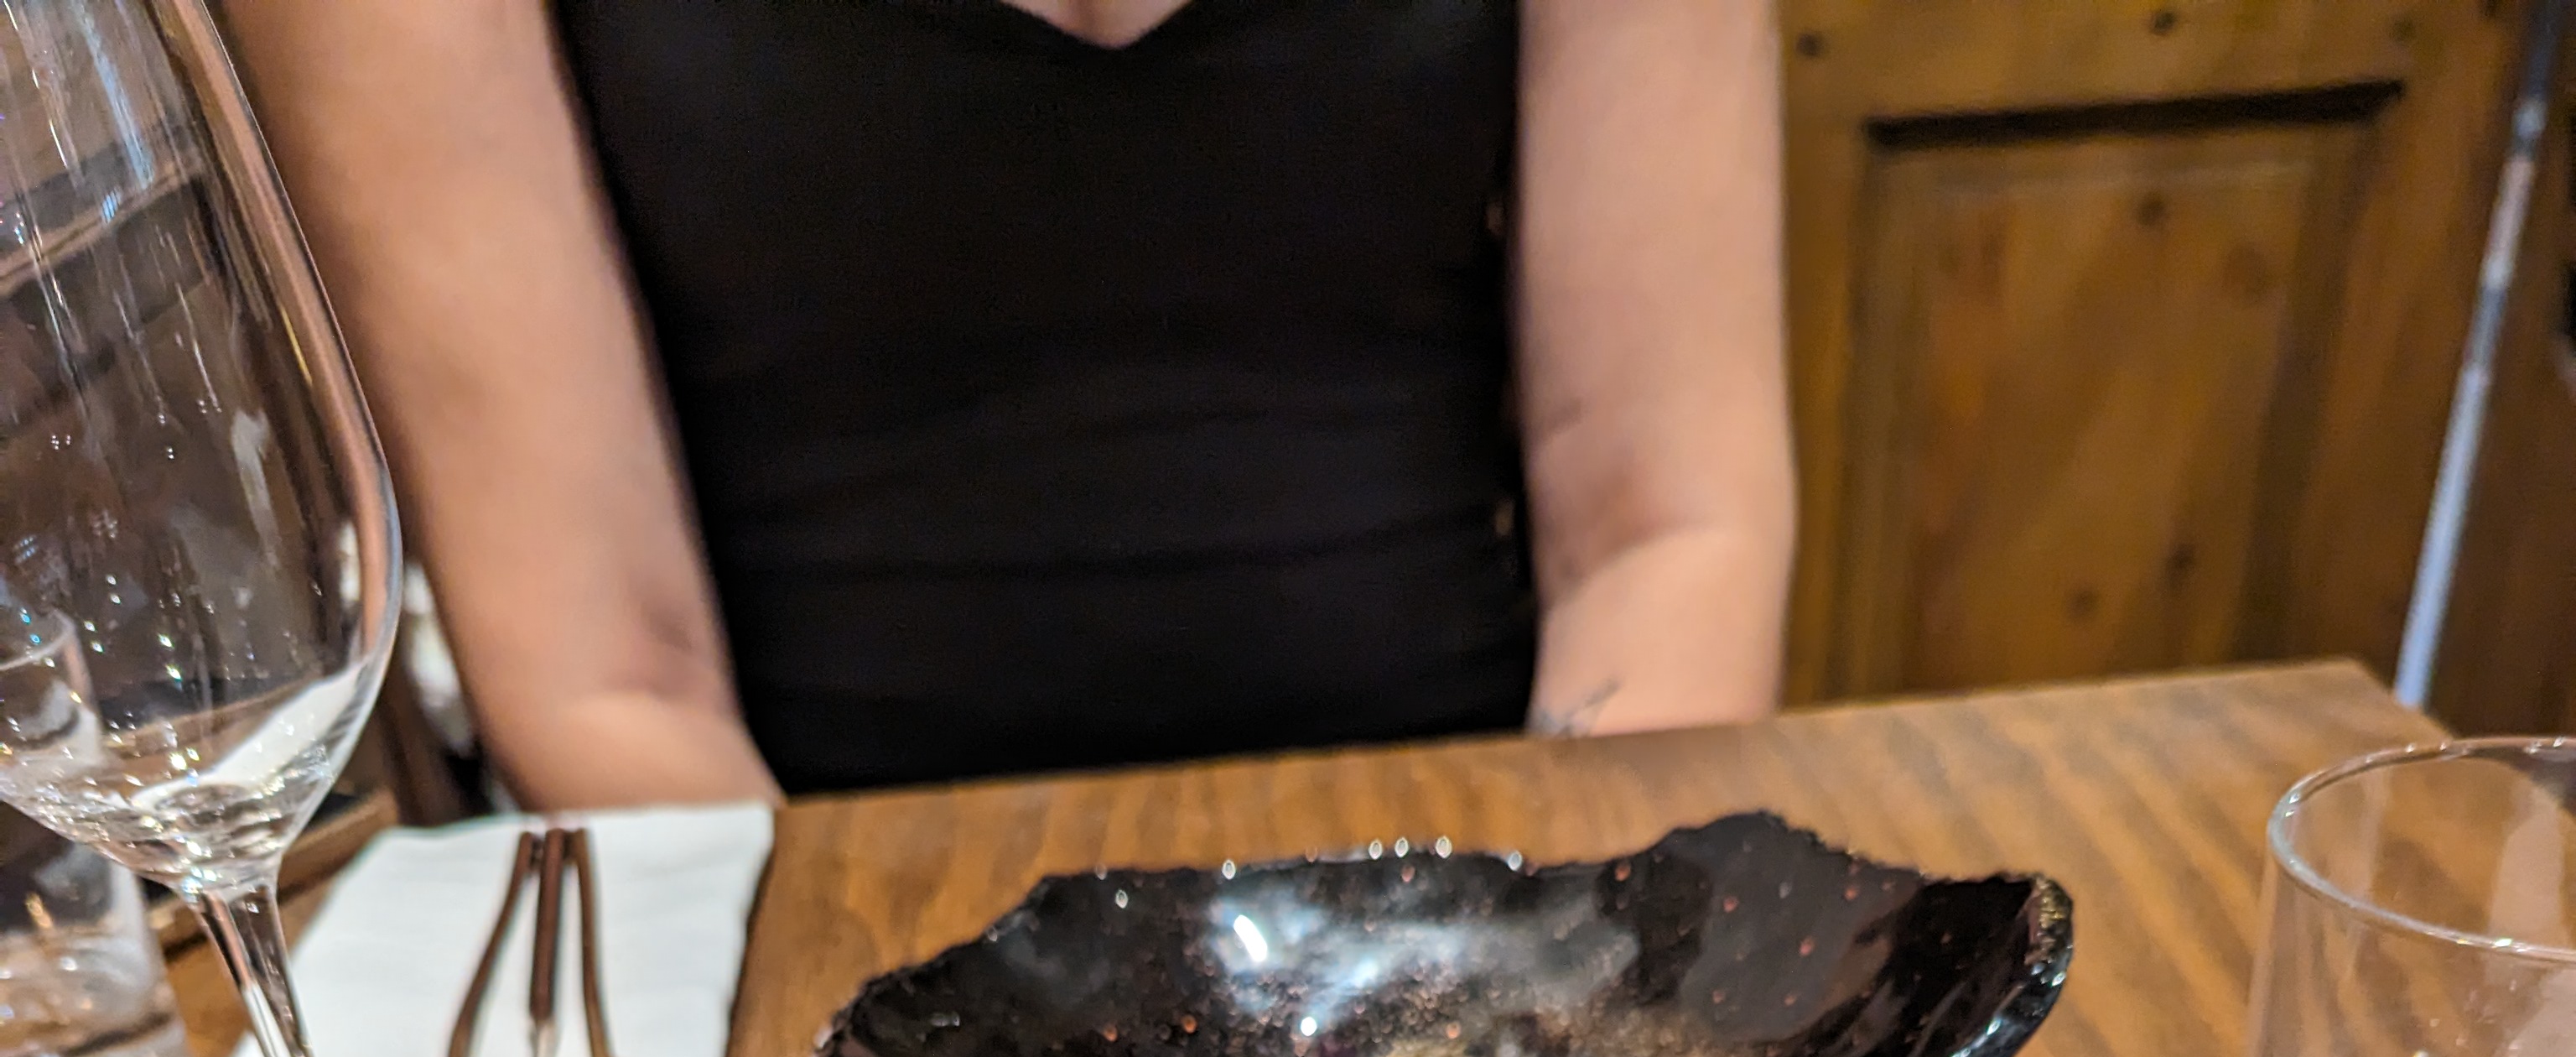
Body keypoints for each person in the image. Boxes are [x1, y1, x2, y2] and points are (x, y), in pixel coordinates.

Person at [226, 0, 1794, 808]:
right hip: (807, 902)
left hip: (1480, 857)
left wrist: (1542, 966)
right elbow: (604, 679)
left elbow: (1665, 530)